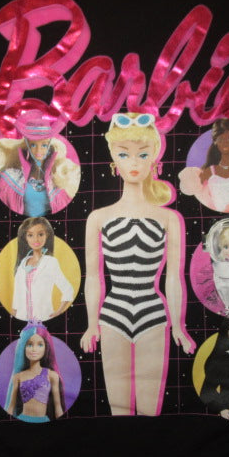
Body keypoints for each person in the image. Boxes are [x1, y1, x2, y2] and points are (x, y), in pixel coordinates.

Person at [80, 112, 194, 416]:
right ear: (113, 160)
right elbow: (93, 277)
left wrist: (178, 324)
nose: (133, 162)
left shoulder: (169, 218)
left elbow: (174, 278)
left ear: (154, 158)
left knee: (149, 409)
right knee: (117, 408)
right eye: (124, 154)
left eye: (142, 154)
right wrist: (91, 323)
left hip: (153, 314)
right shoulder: (98, 218)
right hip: (112, 314)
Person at [0, 109, 80, 216]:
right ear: (27, 146)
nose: (38, 151)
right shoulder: (11, 178)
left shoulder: (58, 179)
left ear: (49, 146)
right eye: (33, 145)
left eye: (44, 145)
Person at [12, 217, 74, 322]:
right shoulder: (22, 264)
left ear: (47, 235)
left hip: (43, 318)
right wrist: (14, 314)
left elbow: (68, 289)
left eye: (40, 234)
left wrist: (59, 311)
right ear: (25, 237)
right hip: (22, 318)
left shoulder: (50, 262)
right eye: (30, 235)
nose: (36, 239)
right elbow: (17, 296)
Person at [5, 322, 65, 423]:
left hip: (43, 419)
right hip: (22, 418)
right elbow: (11, 407)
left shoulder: (52, 375)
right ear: (23, 347)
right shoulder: (18, 377)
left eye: (40, 345)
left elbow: (58, 407)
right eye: (29, 344)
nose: (34, 349)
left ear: (46, 347)